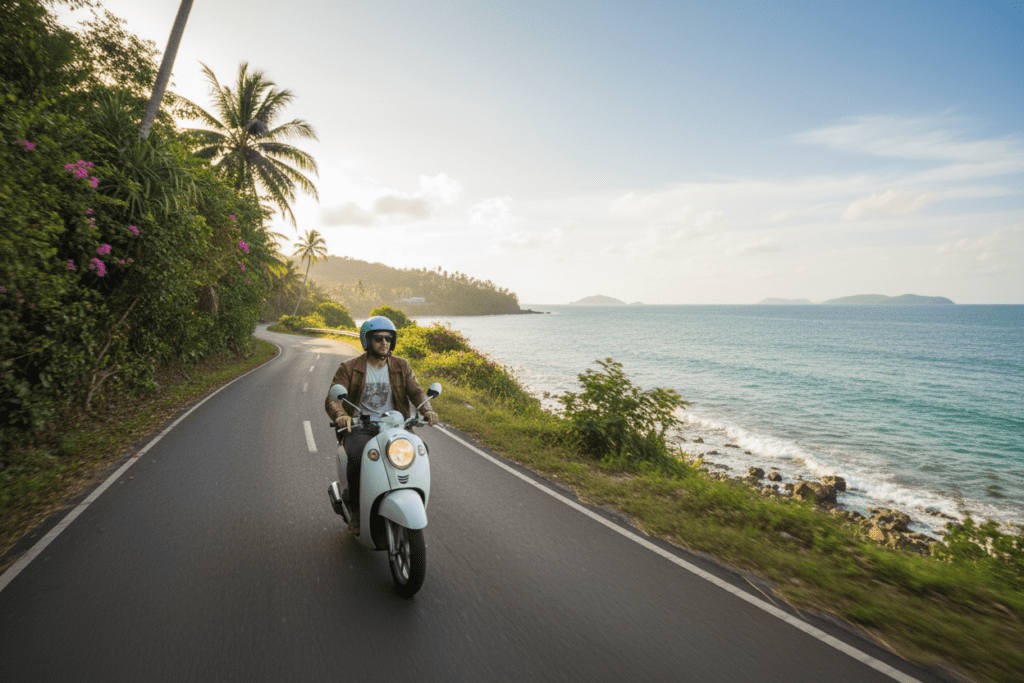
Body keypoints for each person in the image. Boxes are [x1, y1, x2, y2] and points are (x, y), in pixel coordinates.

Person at [324, 315, 438, 533]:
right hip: (361, 427)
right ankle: (357, 510)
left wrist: (427, 410)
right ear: (367, 341)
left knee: (420, 451)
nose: (384, 342)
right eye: (378, 338)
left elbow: (415, 391)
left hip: (396, 426)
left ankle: (408, 497)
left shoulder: (401, 365)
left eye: (388, 338)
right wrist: (341, 415)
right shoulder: (349, 368)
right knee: (358, 456)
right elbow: (332, 398)